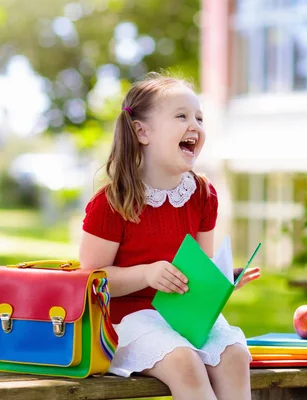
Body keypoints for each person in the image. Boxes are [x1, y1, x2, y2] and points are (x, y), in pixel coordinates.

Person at [79, 72, 261, 400]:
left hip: (184, 316)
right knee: (184, 362)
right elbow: (91, 280)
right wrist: (147, 273)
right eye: (181, 116)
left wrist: (222, 280)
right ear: (142, 131)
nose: (195, 125)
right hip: (128, 321)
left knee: (236, 355)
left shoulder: (203, 194)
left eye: (199, 118)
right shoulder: (111, 202)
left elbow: (198, 269)